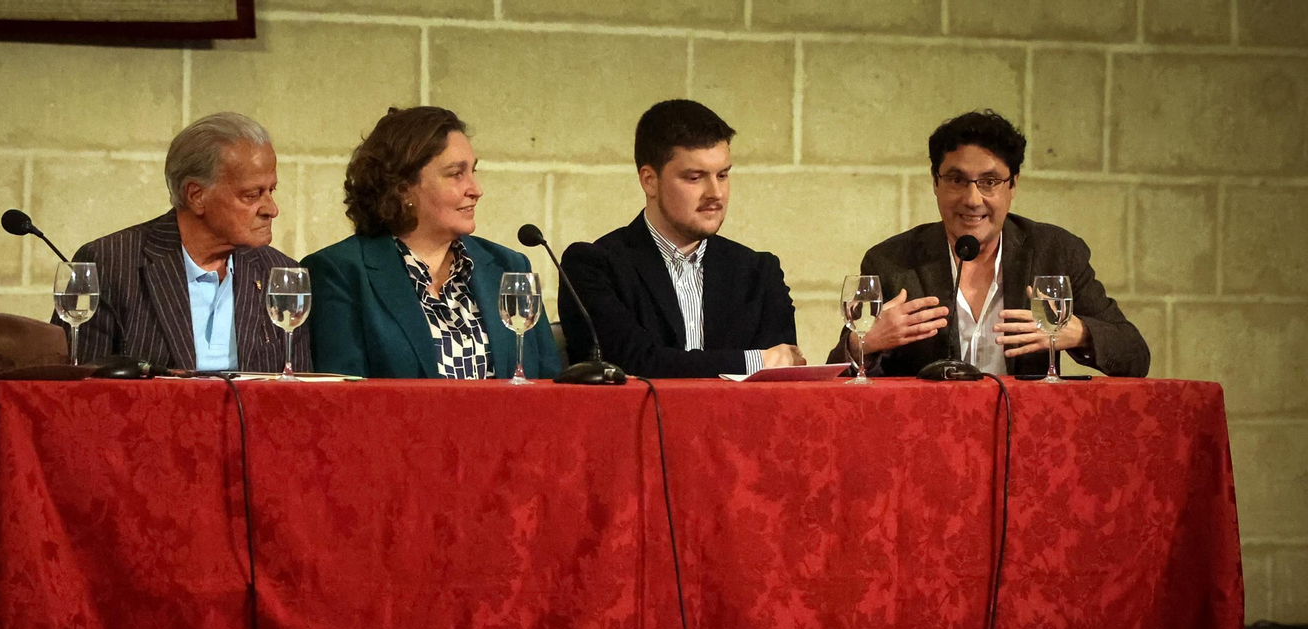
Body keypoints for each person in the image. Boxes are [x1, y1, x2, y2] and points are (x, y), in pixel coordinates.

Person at [827, 109, 1149, 377]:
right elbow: (838, 378)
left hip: (1024, 427)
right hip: (927, 427)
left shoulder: (1056, 252)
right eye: (957, 180)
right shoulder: (891, 261)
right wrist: (863, 343)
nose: (972, 199)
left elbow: (1134, 356)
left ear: (1013, 185)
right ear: (935, 182)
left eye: (989, 181)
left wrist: (1079, 333)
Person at [303, 106, 560, 379]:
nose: (476, 190)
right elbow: (342, 394)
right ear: (402, 187)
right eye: (456, 174)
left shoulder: (508, 266)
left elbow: (549, 382)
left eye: (473, 171)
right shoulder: (339, 273)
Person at [558, 99, 803, 378]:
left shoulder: (759, 272)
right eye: (695, 178)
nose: (716, 193)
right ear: (650, 180)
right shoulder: (593, 266)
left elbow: (782, 374)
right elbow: (631, 363)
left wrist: (763, 362)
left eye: (723, 175)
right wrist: (754, 361)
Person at [69, 112, 310, 373]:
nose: (272, 209)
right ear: (196, 195)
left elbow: (300, 391)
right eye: (252, 195)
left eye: (271, 191)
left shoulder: (279, 273)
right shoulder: (110, 264)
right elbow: (80, 388)